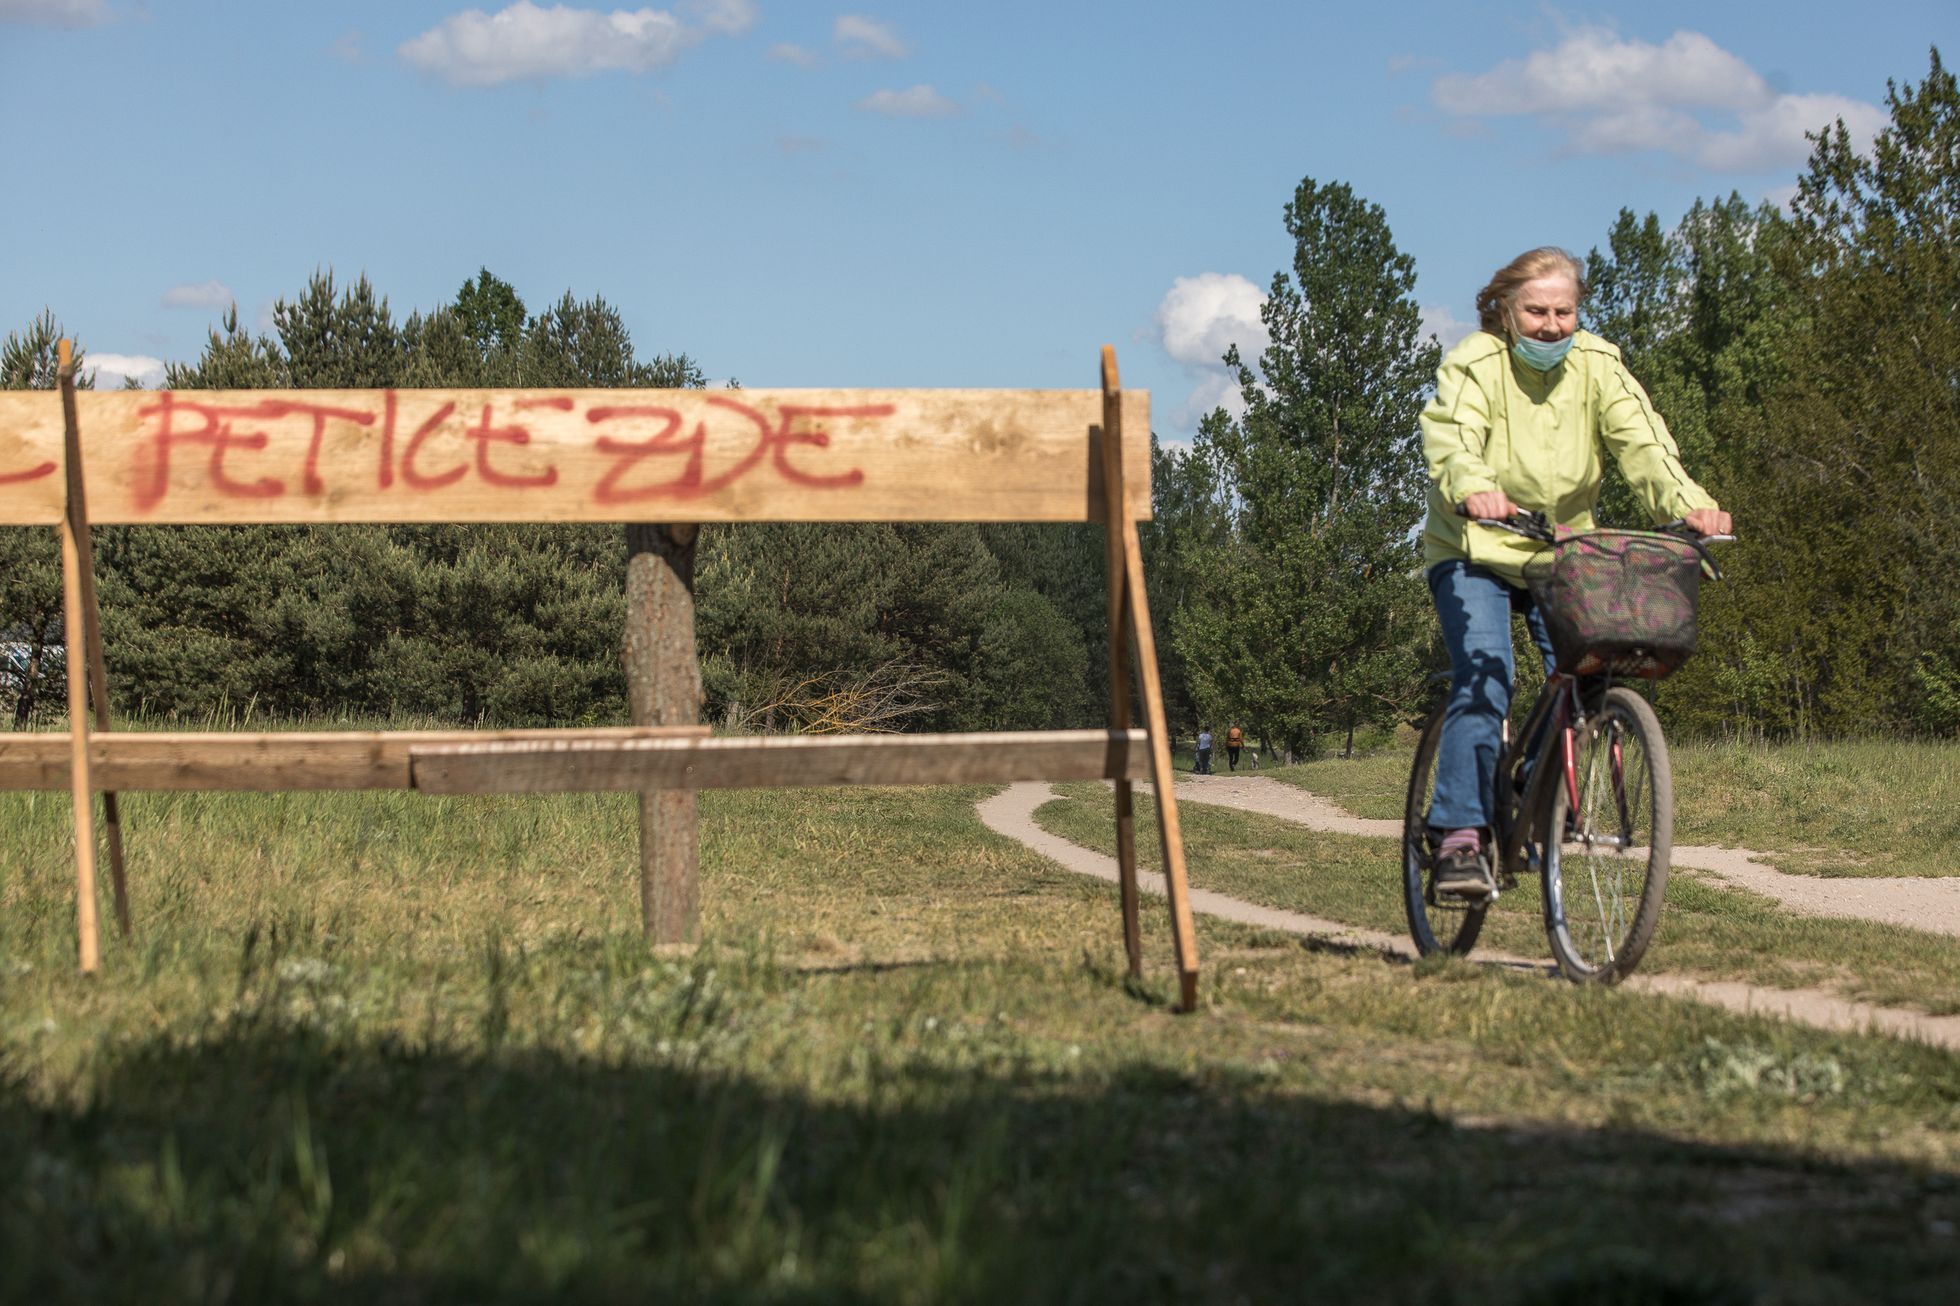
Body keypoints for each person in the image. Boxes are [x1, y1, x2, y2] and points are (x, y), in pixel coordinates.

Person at [1418, 247, 1731, 899]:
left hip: (1561, 553)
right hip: (1475, 545)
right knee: (1486, 676)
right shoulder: (1475, 365)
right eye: (1536, 311)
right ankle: (1458, 837)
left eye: (1564, 311)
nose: (1552, 325)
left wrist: (1688, 504)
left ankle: (1534, 791)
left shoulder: (1598, 365)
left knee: (1596, 677)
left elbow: (1643, 444)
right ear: (1505, 311)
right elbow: (1452, 437)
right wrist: (1474, 487)